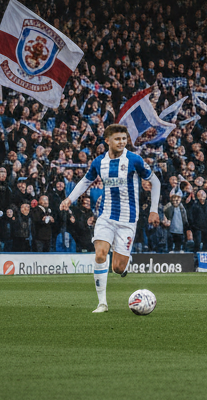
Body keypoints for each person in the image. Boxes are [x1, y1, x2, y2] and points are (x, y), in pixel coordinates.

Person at [60, 124, 161, 313]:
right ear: (107, 140)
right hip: (106, 216)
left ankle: (125, 263)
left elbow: (155, 181)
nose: (122, 142)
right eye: (117, 139)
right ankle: (102, 303)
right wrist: (69, 199)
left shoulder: (134, 160)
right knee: (100, 254)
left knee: (118, 268)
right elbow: (86, 181)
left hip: (128, 220)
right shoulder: (99, 162)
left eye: (124, 138)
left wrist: (154, 210)